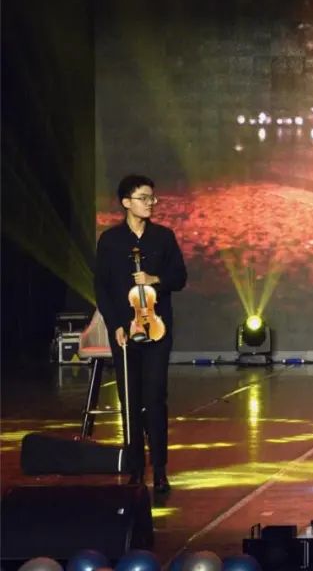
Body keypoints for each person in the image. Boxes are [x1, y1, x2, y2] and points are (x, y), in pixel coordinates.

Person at [94, 174, 187, 493]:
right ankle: (135, 466)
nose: (150, 203)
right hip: (125, 330)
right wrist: (116, 325)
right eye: (143, 198)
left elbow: (180, 277)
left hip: (157, 329)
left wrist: (154, 278)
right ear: (126, 202)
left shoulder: (163, 237)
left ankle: (159, 468)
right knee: (129, 399)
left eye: (151, 198)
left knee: (155, 397)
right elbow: (102, 287)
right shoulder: (110, 240)